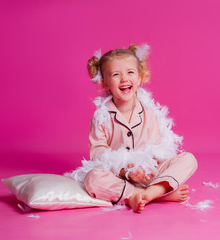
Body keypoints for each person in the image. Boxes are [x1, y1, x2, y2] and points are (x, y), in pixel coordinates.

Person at [66, 44, 198, 213]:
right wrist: (126, 170)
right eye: (115, 74)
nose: (124, 79)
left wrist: (146, 169)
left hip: (150, 174)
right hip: (118, 176)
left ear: (140, 77)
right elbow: (98, 153)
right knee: (92, 179)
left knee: (188, 159)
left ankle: (153, 190)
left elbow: (157, 147)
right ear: (105, 83)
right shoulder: (101, 117)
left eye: (130, 72)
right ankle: (147, 194)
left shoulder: (149, 112)